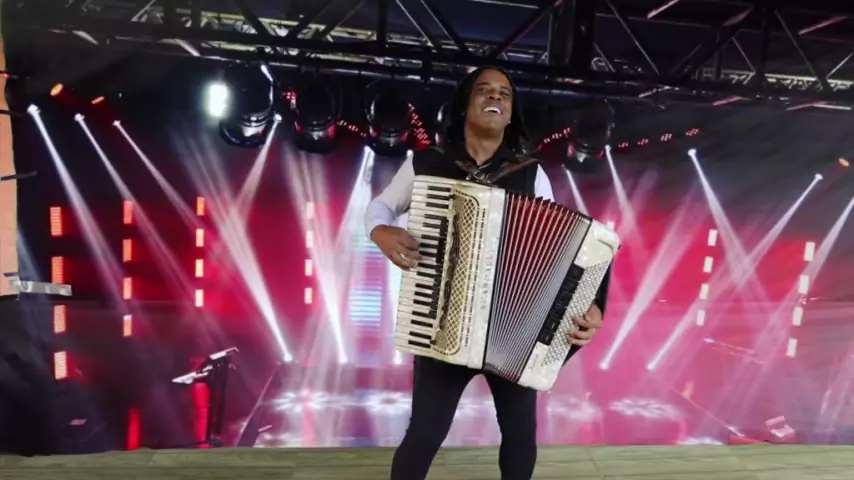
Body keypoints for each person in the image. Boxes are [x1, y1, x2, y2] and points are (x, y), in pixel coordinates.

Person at [364, 67, 610, 480]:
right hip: (440, 322)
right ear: (466, 104)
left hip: (512, 332)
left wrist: (593, 306)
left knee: (520, 435)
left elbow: (567, 252)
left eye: (504, 93)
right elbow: (381, 207)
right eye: (484, 90)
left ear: (511, 113)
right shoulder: (427, 163)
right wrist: (380, 231)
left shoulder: (531, 174)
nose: (495, 97)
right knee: (424, 433)